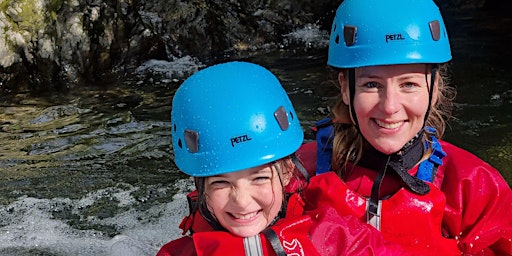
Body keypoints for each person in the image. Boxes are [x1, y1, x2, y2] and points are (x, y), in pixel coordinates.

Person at [299, 0, 512, 255]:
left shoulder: (472, 187)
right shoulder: (300, 173)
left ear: (434, 89)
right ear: (345, 88)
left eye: (409, 84)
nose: (390, 107)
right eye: (371, 85)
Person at [156, 61, 407, 255]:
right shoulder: (177, 253)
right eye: (220, 183)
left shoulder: (338, 238)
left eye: (260, 178)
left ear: (287, 172)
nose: (242, 202)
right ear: (199, 185)